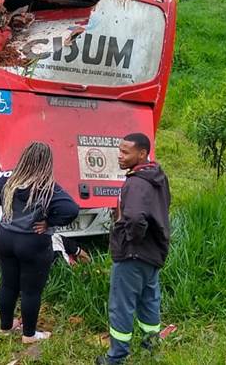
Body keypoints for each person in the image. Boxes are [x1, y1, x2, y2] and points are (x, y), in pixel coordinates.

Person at [0, 142, 79, 344]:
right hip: (32, 243)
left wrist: (5, 205)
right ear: (47, 163)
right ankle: (29, 335)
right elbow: (71, 209)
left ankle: (6, 328)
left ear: (24, 158)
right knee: (31, 291)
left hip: (6, 238)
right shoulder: (48, 188)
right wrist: (49, 222)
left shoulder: (8, 180)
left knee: (8, 285)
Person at [97, 133, 171, 365]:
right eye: (119, 150)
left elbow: (137, 218)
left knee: (122, 306)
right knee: (150, 301)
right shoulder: (157, 176)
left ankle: (116, 357)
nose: (120, 156)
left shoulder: (137, 183)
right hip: (153, 252)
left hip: (133, 254)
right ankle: (151, 348)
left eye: (125, 152)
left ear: (141, 154)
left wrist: (129, 237)